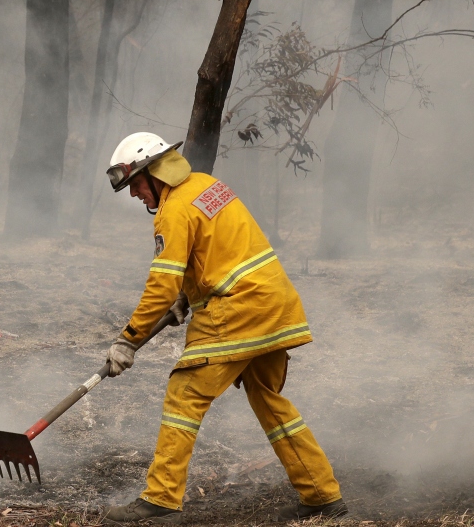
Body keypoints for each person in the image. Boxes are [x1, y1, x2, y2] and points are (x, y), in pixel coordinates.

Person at [100, 133, 346, 524]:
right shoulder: (208, 187)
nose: (133, 194)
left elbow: (161, 284)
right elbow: (217, 250)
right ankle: (321, 494)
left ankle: (161, 498)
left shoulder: (173, 211)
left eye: (135, 183)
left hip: (237, 309)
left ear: (153, 172)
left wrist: (127, 340)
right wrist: (188, 295)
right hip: (272, 303)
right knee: (268, 399)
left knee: (184, 395)